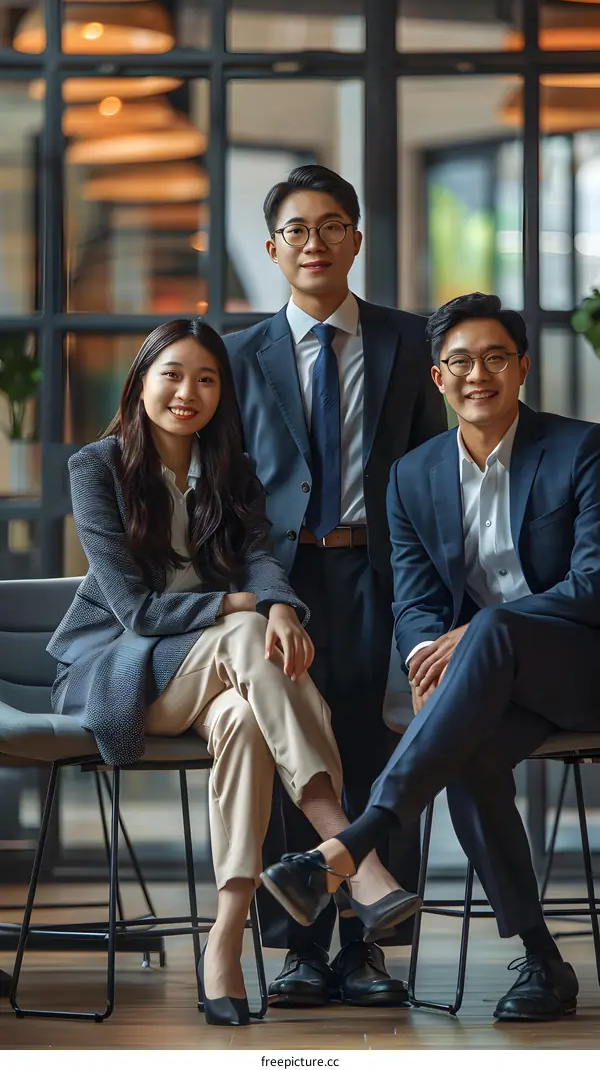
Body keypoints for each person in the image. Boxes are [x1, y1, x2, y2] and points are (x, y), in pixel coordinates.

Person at [47, 318, 419, 1027]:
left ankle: (223, 942)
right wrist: (248, 607)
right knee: (247, 630)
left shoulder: (230, 467)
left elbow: (259, 557)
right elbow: (136, 611)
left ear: (223, 393)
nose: (187, 392)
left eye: (206, 379)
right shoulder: (96, 467)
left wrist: (277, 604)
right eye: (172, 374)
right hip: (123, 673)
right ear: (141, 381)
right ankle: (350, 853)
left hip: (220, 678)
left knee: (248, 718)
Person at [260, 291, 600, 1022]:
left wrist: (475, 637)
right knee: (467, 749)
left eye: (496, 358)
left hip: (580, 669)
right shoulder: (412, 475)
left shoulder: (582, 449)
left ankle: (353, 842)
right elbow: (414, 603)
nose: (479, 375)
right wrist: (426, 661)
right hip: (493, 685)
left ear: (523, 368)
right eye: (461, 362)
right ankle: (543, 962)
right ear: (439, 378)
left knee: (492, 628)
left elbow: (593, 583)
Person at [223, 165, 447, 1007]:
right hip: (281, 574)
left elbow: (432, 474)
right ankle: (299, 950)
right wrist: (264, 588)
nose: (313, 243)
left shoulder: (409, 342)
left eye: (330, 226)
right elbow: (233, 494)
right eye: (296, 230)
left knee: (379, 748)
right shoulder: (236, 355)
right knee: (292, 749)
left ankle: (369, 948)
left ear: (355, 239)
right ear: (273, 248)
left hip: (383, 568)